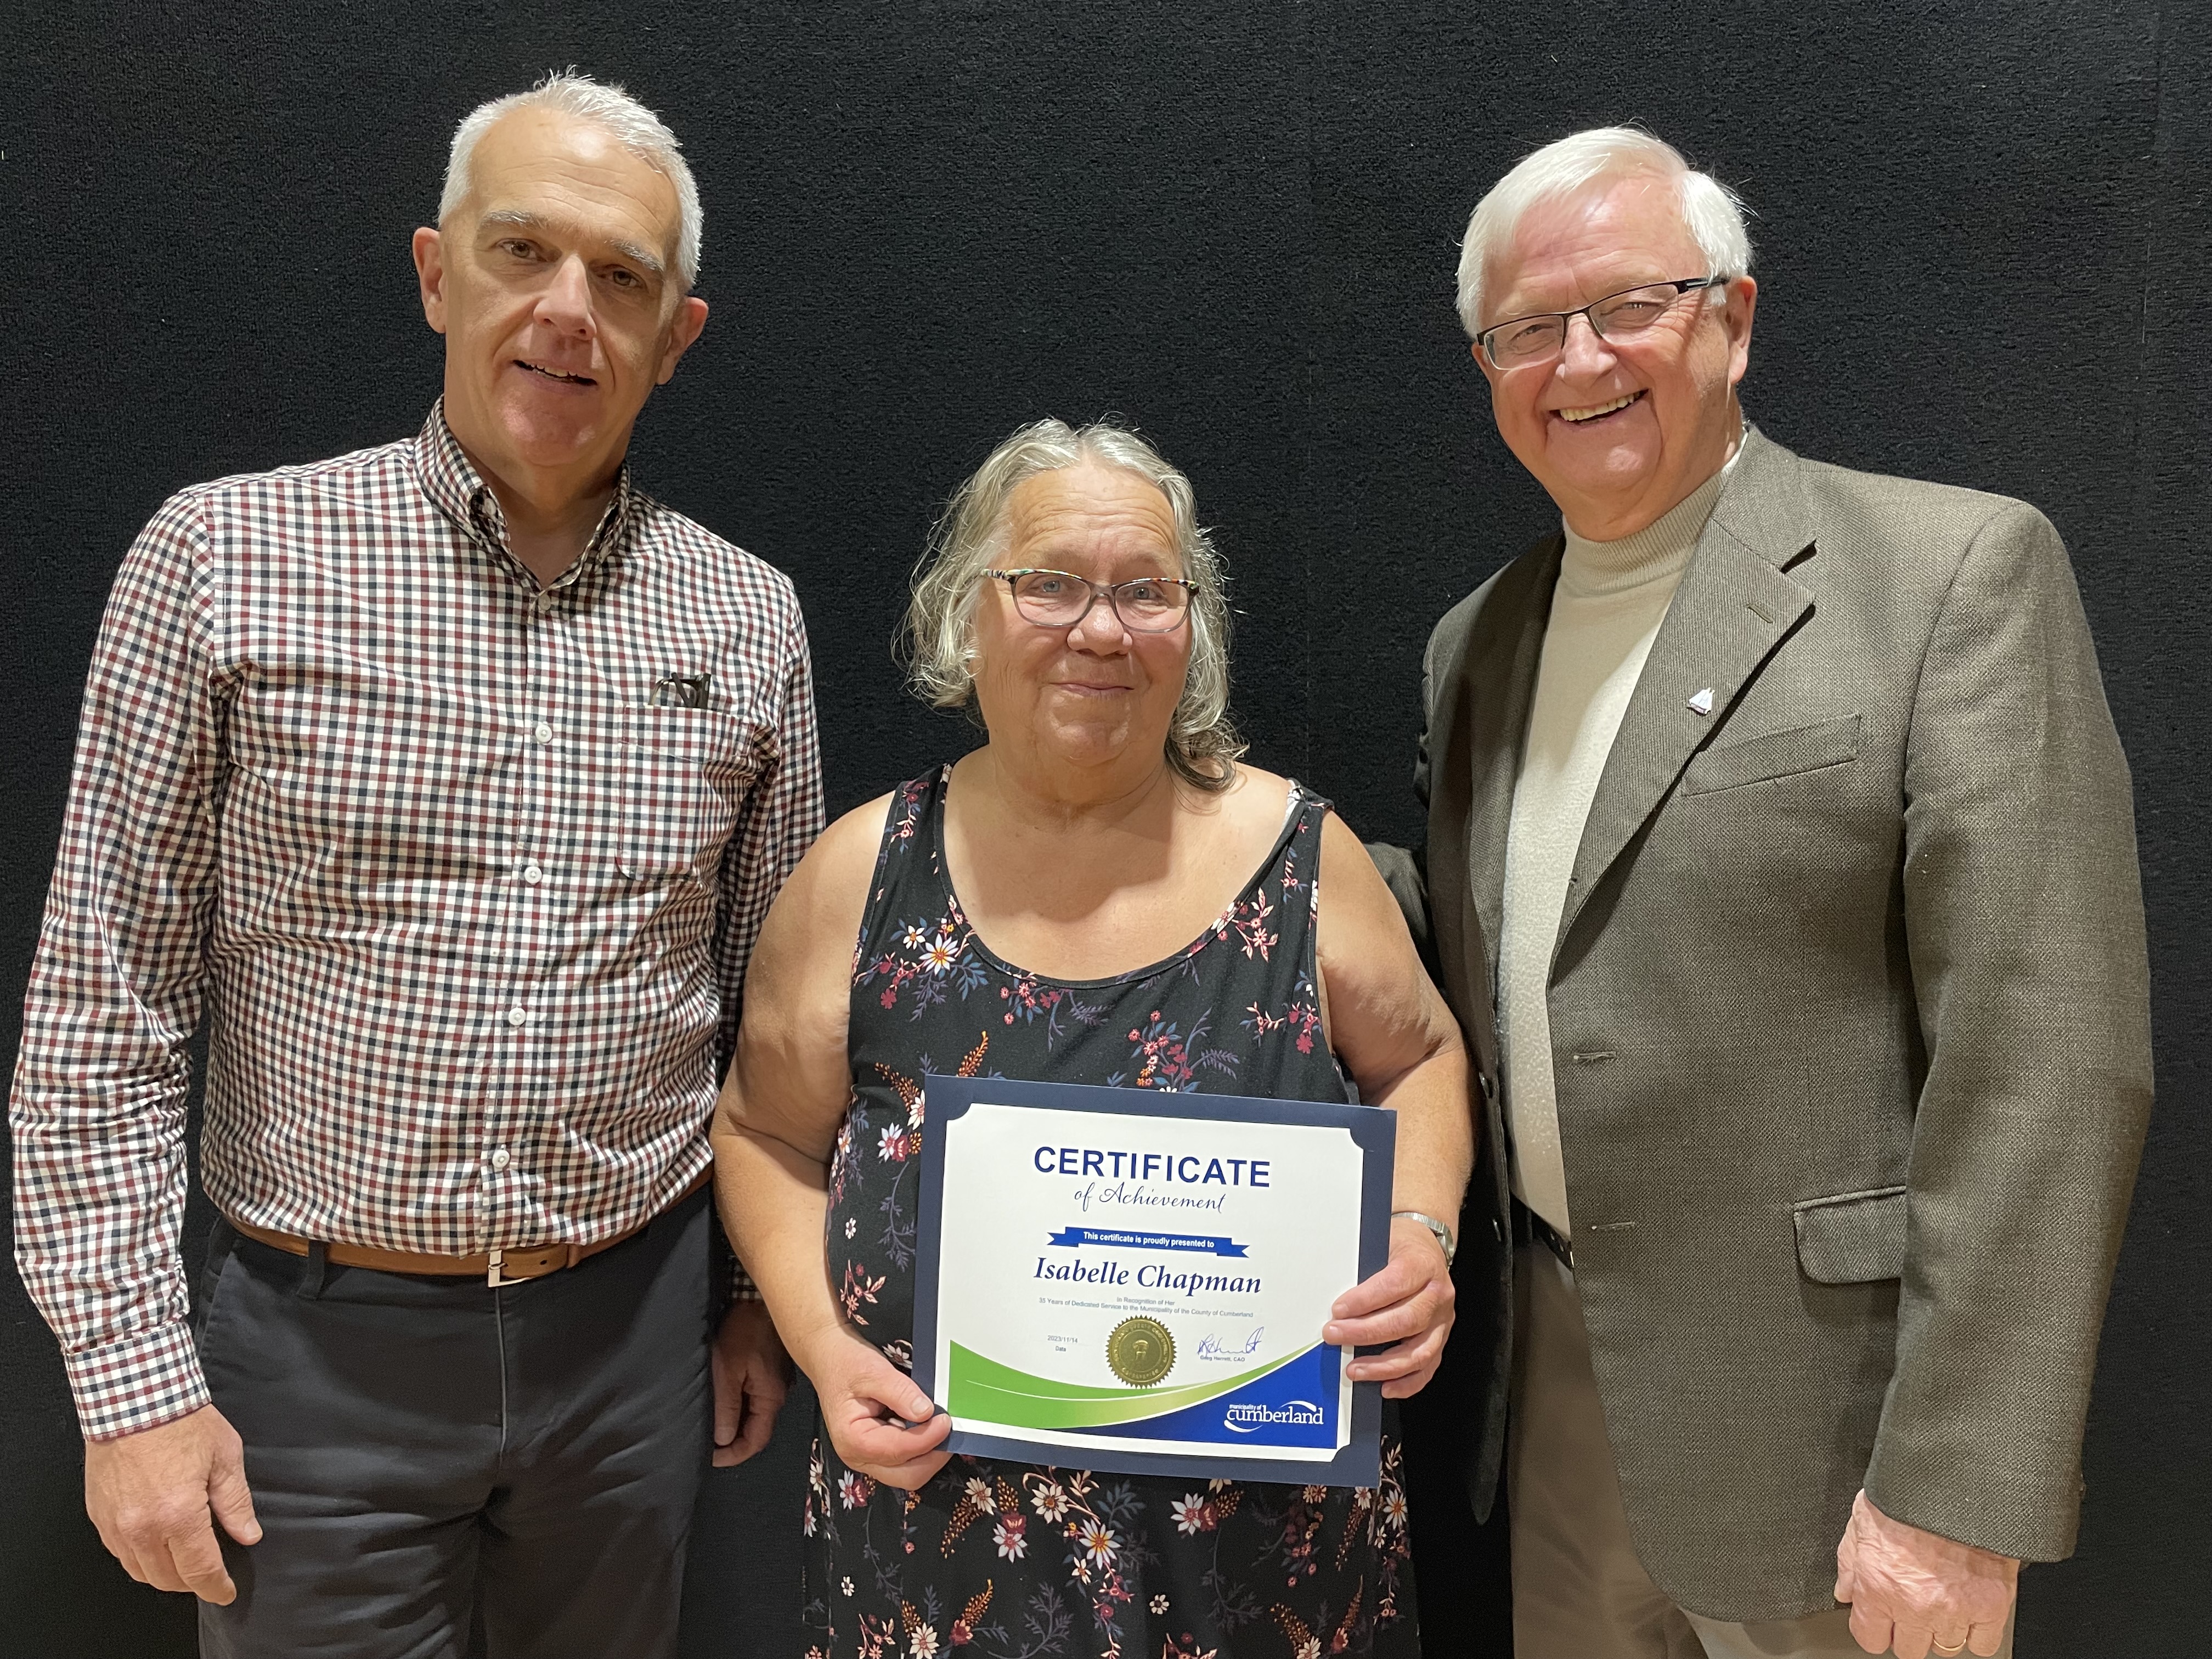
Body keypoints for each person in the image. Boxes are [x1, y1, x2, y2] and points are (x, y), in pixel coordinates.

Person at [8, 72, 819, 1657]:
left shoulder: (748, 618)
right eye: (524, 251)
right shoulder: (223, 559)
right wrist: (128, 1391)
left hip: (630, 1346)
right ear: (440, 274)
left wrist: (744, 1297)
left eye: (624, 278)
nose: (569, 310)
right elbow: (99, 1021)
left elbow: (763, 1022)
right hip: (312, 1359)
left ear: (681, 333)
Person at [1372, 127, 2153, 1659]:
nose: (1579, 357)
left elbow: (2051, 1062)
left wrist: (1957, 1489)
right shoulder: (1475, 644)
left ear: (1734, 315)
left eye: (1633, 303)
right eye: (1529, 327)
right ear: (1488, 368)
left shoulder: (1950, 574)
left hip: (1846, 1450)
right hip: (1556, 1418)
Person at [712, 418, 1474, 1657]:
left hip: (1266, 1572)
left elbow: (1426, 1059)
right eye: (1051, 583)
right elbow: (758, 1132)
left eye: (1144, 591)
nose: (1101, 629)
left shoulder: (1305, 860)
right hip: (941, 1560)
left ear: (1195, 626)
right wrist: (820, 1344)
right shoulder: (863, 874)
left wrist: (1419, 1232)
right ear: (971, 613)